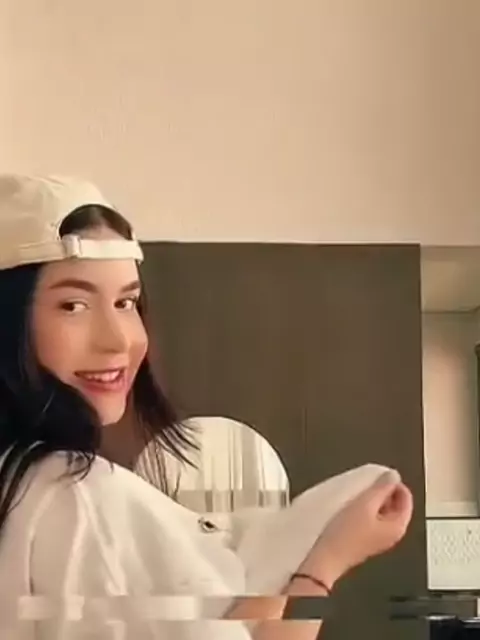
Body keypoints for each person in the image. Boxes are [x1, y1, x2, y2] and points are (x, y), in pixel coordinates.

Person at [0, 174, 413, 639]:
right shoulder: (77, 497)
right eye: (73, 305)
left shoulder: (23, 490)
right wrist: (326, 564)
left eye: (126, 302)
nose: (118, 339)